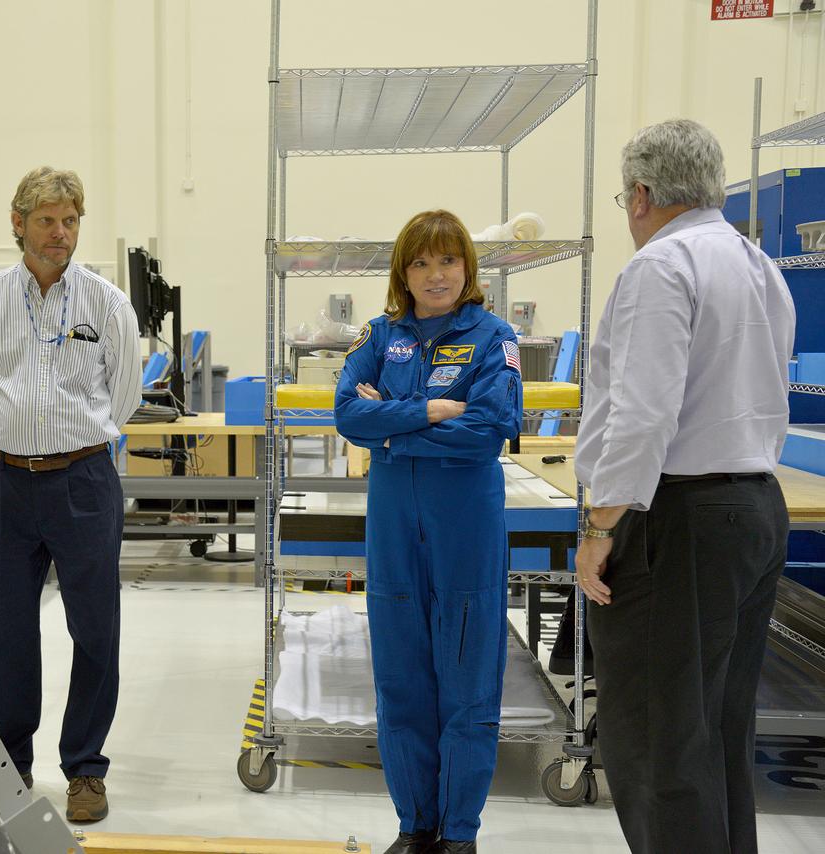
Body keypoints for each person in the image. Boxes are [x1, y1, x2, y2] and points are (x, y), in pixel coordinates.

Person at [575, 119, 795, 854]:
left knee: (659, 740)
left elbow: (642, 415)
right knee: (718, 731)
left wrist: (600, 528)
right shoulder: (758, 265)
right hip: (754, 505)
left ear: (640, 194)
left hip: (677, 515)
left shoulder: (660, 268)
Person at [0, 166, 142, 823]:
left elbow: (125, 392)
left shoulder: (105, 302)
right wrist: (18, 439)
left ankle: (84, 769)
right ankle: (9, 769)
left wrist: (79, 440)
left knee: (95, 630)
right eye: (45, 221)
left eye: (69, 221)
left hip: (83, 480)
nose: (59, 233)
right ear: (18, 224)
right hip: (5, 481)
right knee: (7, 634)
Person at [336, 210, 523, 854]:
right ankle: (415, 826)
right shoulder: (381, 335)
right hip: (393, 530)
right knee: (400, 679)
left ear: (467, 267)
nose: (435, 275)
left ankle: (460, 835)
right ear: (403, 273)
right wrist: (428, 410)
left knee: (468, 682)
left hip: (465, 525)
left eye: (447, 261)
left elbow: (488, 429)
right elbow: (344, 412)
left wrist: (390, 429)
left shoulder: (494, 336)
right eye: (420, 263)